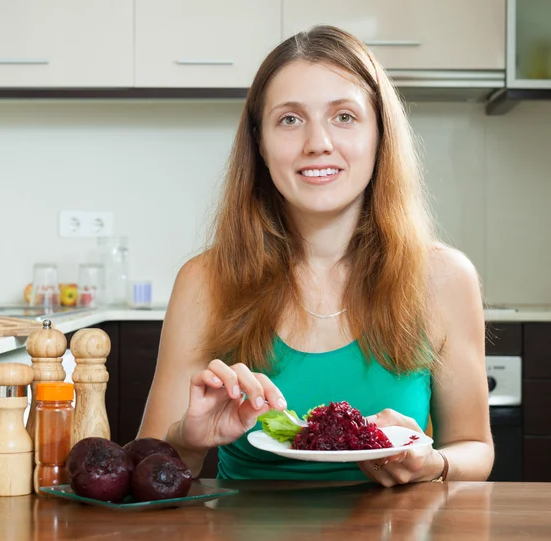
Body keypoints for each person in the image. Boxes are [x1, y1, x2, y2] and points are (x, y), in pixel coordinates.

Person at [137, 25, 494, 486]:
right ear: (260, 144)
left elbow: (475, 448)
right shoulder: (206, 280)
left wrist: (433, 464)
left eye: (344, 116)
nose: (317, 142)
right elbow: (150, 469)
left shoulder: (445, 277)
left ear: (380, 135)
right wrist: (187, 439)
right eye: (290, 119)